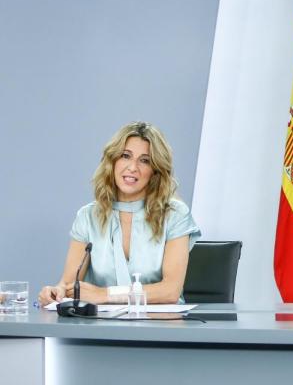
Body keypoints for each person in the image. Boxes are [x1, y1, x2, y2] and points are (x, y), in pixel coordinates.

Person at [38, 122, 201, 306]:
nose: (132, 167)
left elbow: (170, 291)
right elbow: (68, 285)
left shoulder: (175, 215)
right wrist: (55, 292)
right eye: (125, 156)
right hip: (99, 323)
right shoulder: (87, 216)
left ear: (155, 170)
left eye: (145, 160)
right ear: (112, 162)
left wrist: (105, 294)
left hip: (159, 321)